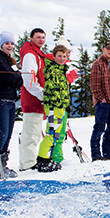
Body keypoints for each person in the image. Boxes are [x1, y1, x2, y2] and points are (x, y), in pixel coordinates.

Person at [0, 31, 23, 180]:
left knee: (7, 134)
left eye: (12, 43)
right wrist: (16, 79)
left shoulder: (8, 60)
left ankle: (1, 164)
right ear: (1, 44)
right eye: (7, 43)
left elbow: (16, 78)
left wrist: (16, 78)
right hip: (0, 99)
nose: (10, 46)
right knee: (2, 133)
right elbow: (9, 77)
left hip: (10, 99)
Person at [36, 37, 71, 172]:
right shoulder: (52, 69)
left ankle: (47, 158)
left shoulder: (62, 70)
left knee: (56, 134)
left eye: (64, 56)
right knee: (51, 132)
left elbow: (64, 90)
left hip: (61, 106)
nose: (62, 59)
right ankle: (42, 159)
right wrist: (56, 103)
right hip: (53, 106)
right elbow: (53, 88)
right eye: (59, 56)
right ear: (54, 56)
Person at [19, 28, 47, 171]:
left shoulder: (37, 53)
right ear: (31, 38)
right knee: (31, 132)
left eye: (43, 37)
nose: (41, 40)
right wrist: (41, 94)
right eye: (38, 37)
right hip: (33, 99)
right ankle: (27, 163)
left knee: (34, 131)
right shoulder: (30, 54)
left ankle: (28, 161)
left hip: (36, 99)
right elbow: (29, 77)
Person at [90, 40, 110, 161]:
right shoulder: (97, 64)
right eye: (108, 48)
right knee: (99, 127)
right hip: (102, 102)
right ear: (103, 49)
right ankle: (96, 154)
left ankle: (107, 152)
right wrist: (101, 99)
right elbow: (94, 85)